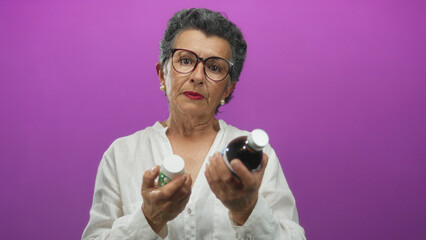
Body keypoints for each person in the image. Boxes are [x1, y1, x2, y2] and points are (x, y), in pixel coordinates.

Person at [82, 8, 306, 240]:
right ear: (162, 74)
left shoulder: (255, 155)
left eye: (214, 67)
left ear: (228, 88)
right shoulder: (121, 154)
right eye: (186, 60)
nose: (198, 76)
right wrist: (149, 218)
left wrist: (248, 210)